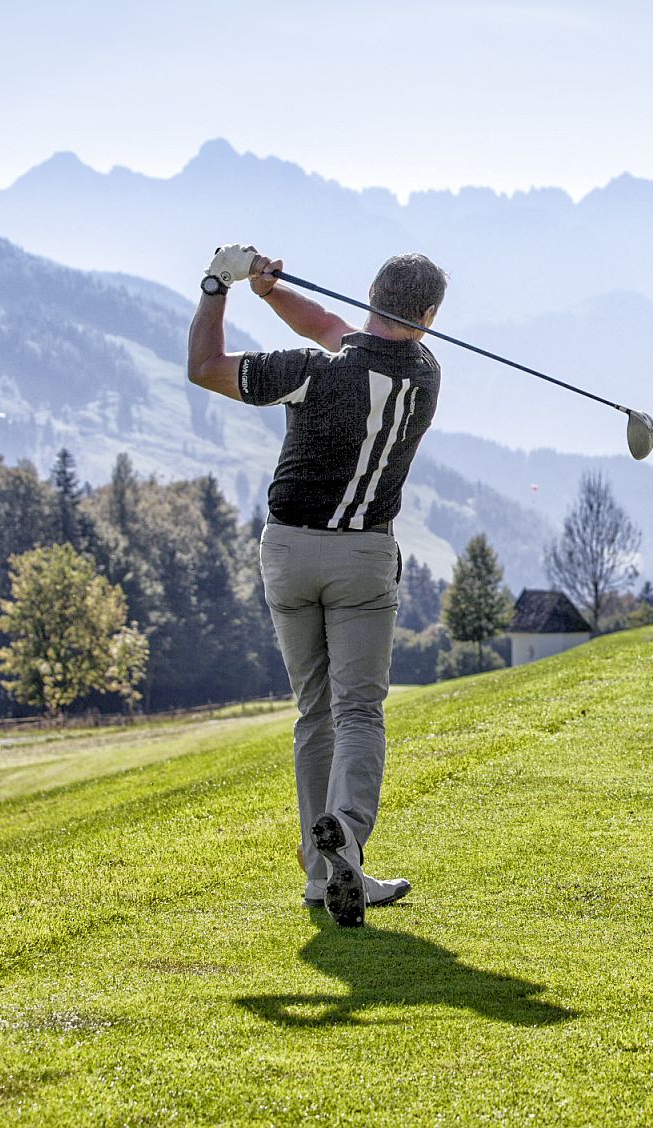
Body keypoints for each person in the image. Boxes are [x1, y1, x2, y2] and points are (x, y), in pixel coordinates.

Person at [187, 243, 444, 926]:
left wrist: (221, 286)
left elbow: (205, 368)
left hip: (289, 554)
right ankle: (346, 844)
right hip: (362, 557)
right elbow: (332, 328)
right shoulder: (425, 373)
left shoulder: (310, 374)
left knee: (315, 712)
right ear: (427, 316)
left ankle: (319, 872)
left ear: (370, 295)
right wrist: (273, 293)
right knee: (359, 711)